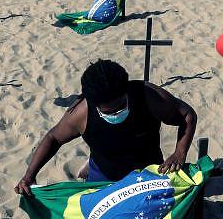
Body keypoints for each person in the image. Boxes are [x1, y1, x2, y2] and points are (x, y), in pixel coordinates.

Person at [14, 59, 197, 196]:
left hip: (148, 173)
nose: (117, 112)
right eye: (109, 111)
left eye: (120, 105)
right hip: (104, 176)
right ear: (93, 104)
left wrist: (179, 152)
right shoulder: (81, 113)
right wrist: (29, 175)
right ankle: (89, 167)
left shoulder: (147, 96)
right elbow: (53, 138)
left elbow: (187, 115)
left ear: (126, 92)